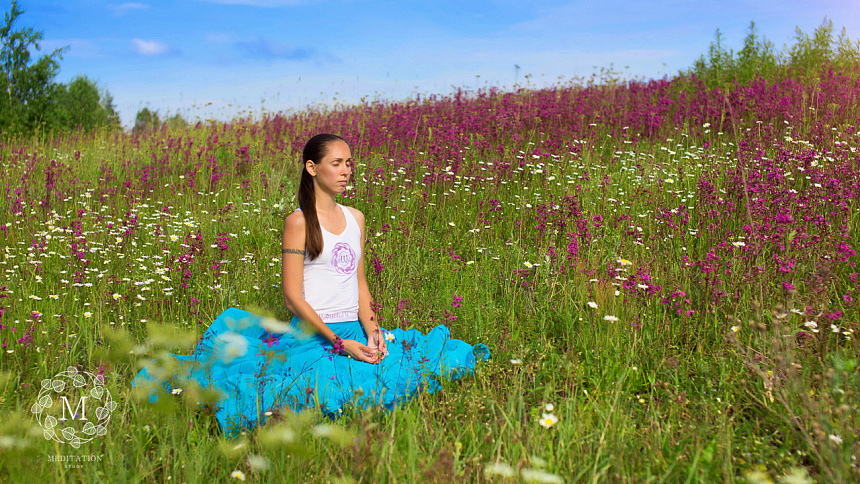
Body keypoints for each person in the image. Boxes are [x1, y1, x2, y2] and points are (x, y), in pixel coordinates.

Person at [131, 134, 489, 438]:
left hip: (354, 326)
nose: (347, 170)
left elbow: (359, 285)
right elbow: (292, 296)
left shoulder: (356, 218)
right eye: (337, 163)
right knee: (322, 387)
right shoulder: (298, 222)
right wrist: (338, 343)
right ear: (312, 167)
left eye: (349, 162)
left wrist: (373, 331)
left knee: (422, 362)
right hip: (316, 335)